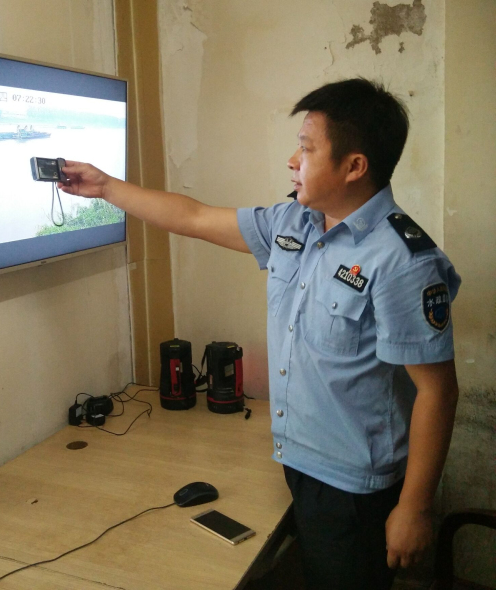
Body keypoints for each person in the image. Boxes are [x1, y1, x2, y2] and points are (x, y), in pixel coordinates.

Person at [58, 78, 460, 590]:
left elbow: (437, 390)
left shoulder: (403, 260)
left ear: (354, 166)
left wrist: (415, 508)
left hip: (354, 487)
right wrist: (106, 187)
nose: (292, 161)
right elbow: (194, 217)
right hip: (297, 462)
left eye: (307, 149)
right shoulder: (295, 221)